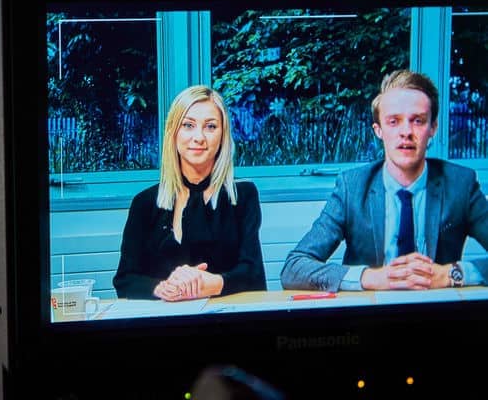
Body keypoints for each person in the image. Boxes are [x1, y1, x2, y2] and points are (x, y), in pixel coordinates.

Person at [280, 69, 488, 292]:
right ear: (378, 130)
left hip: (437, 310)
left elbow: (454, 274)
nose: (406, 132)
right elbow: (294, 268)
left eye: (418, 121)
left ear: (433, 128)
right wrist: (368, 277)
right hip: (370, 311)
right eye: (394, 121)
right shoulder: (352, 187)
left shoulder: (460, 184)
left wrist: (452, 274)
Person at [113, 85, 265, 301]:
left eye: (210, 126)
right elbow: (125, 280)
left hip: (225, 318)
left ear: (223, 136)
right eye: (188, 125)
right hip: (165, 318)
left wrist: (212, 284)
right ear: (173, 133)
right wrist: (162, 288)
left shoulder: (243, 196)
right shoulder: (144, 203)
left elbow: (254, 276)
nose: (199, 137)